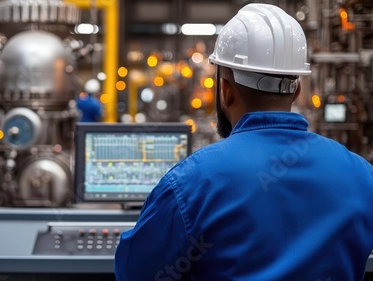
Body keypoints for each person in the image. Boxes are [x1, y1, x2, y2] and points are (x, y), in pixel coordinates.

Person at [114, 3, 373, 281]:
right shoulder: (361, 175)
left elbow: (134, 273)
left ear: (225, 91)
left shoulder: (192, 183)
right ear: (296, 90)